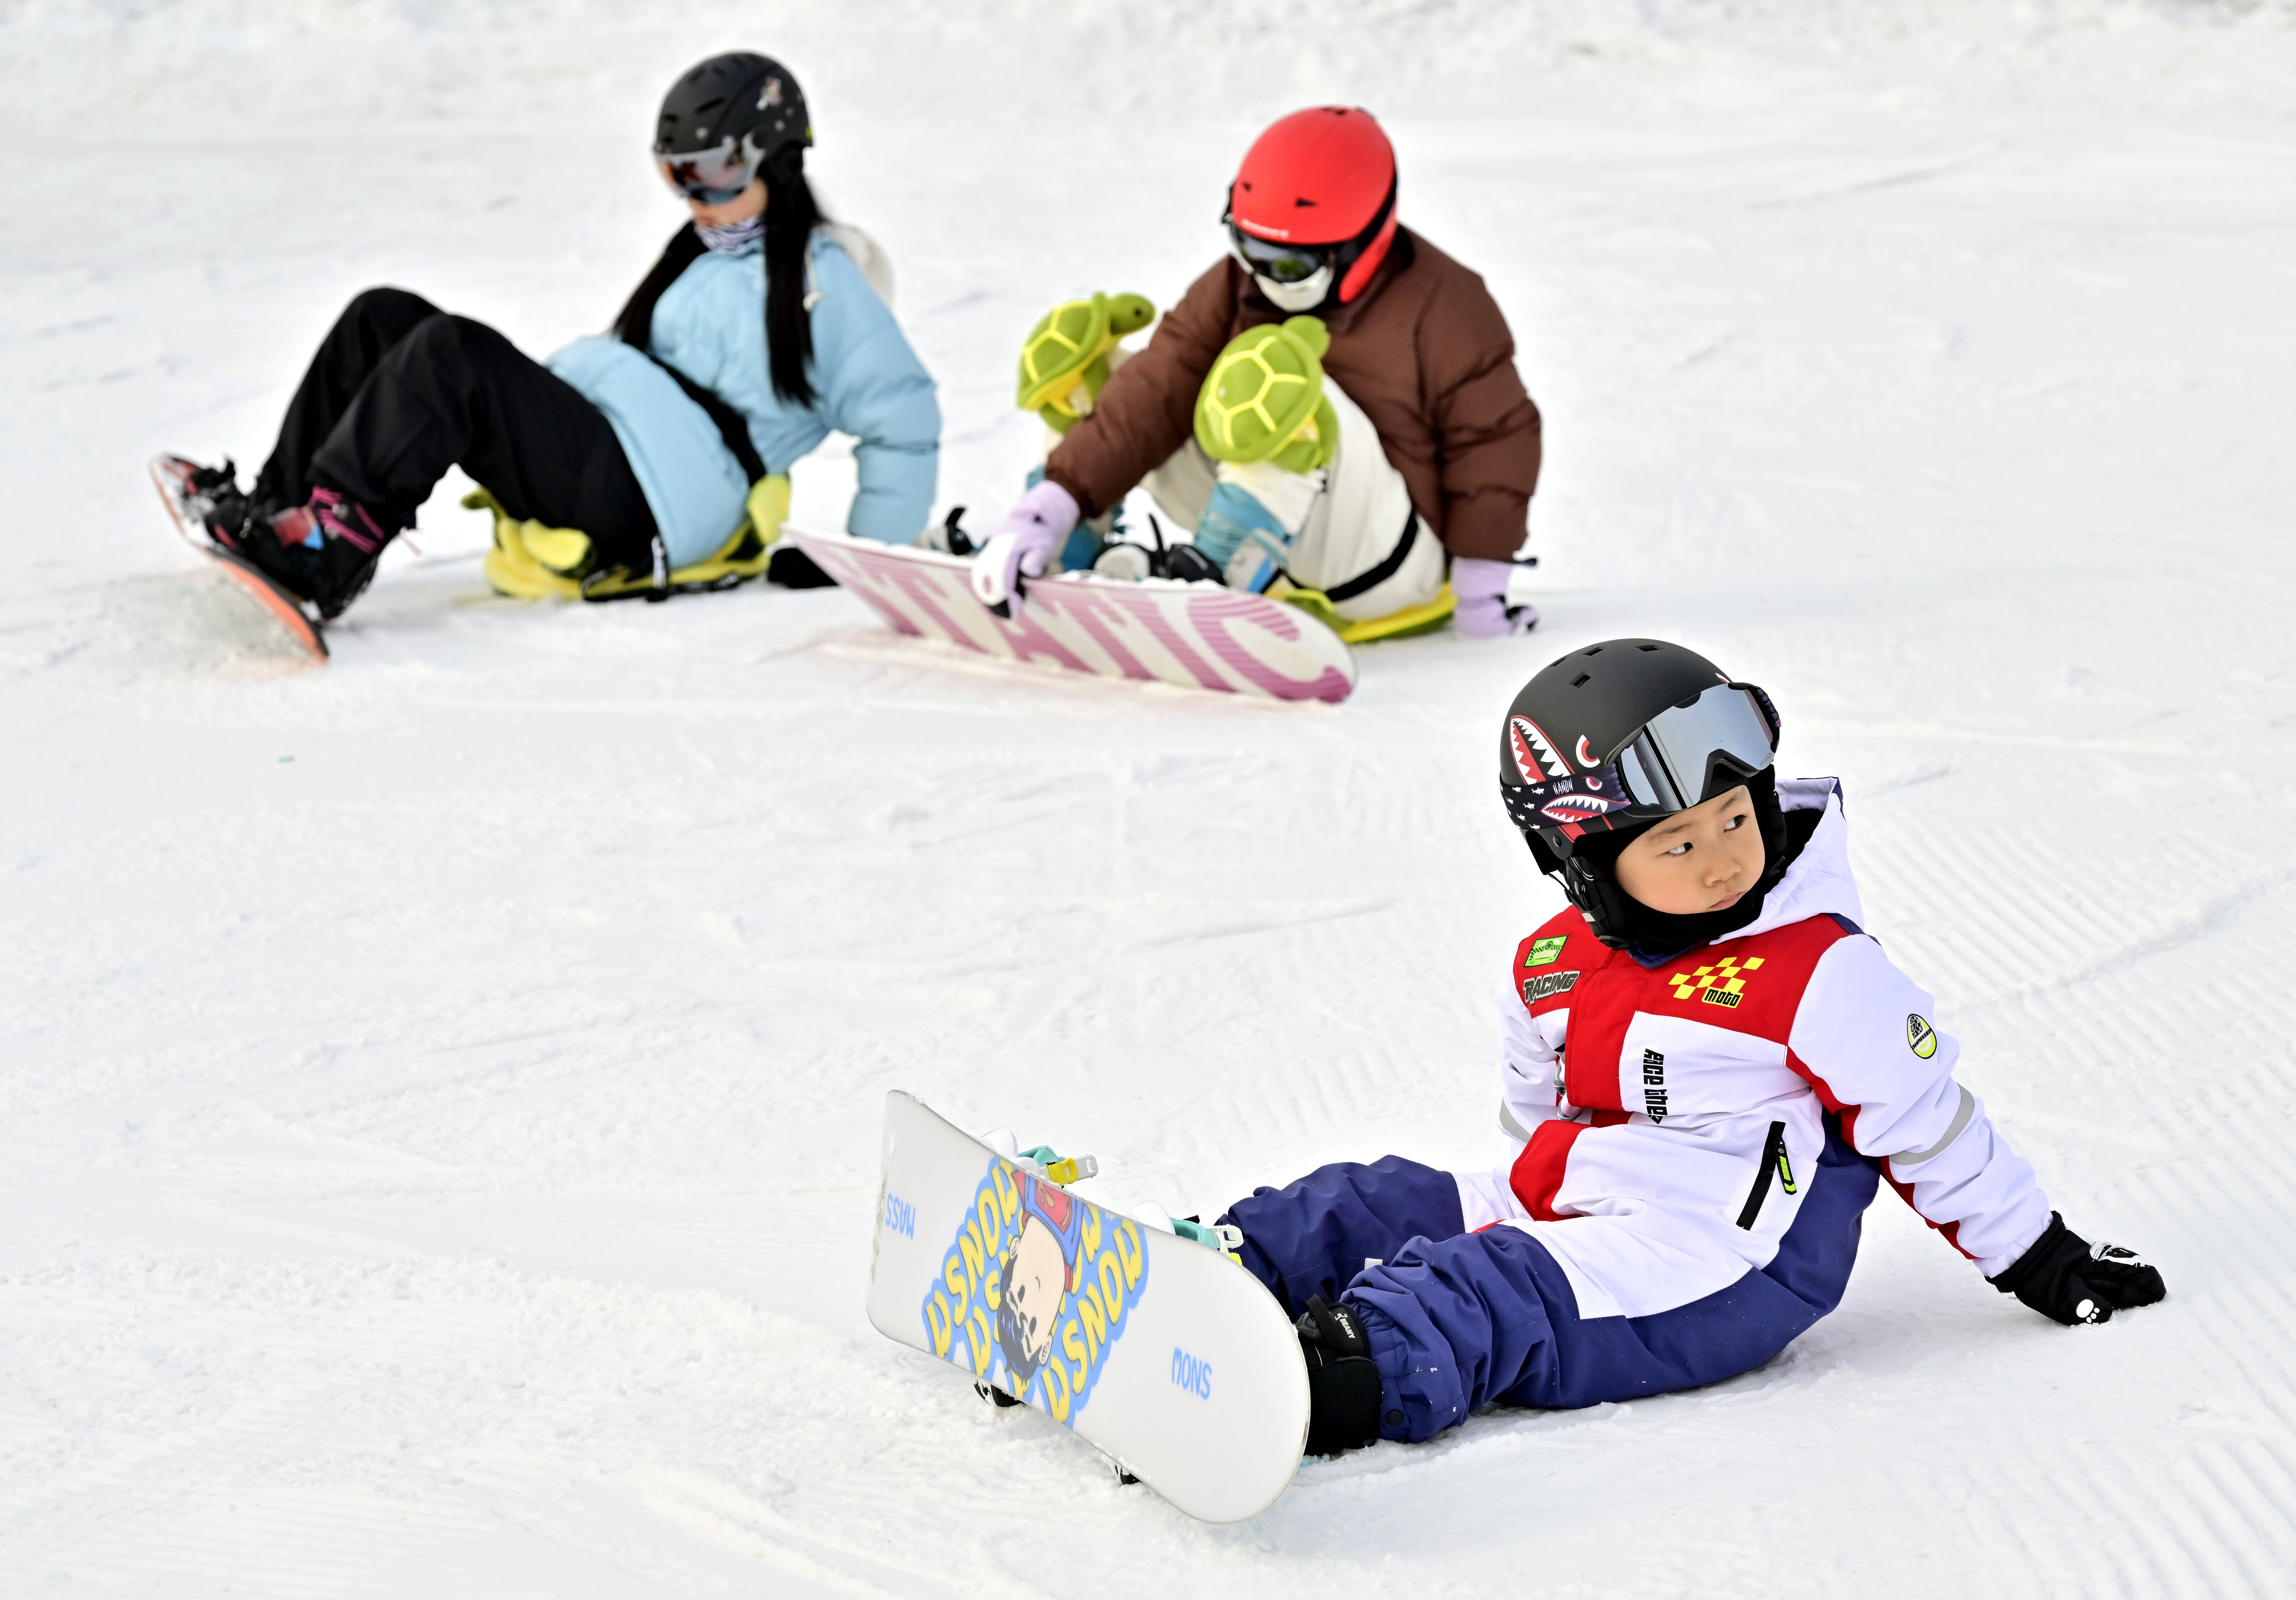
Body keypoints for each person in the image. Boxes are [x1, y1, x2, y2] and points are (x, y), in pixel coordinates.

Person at [1077, 638, 2166, 1456]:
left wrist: (2043, 1257)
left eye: (1737, 818)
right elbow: (1532, 1122)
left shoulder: (1817, 971)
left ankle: (1319, 1381)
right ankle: (1202, 1276)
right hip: (1588, 1204)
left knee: (1482, 1287)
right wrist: (1509, 1193)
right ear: (1586, 860)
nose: (1721, 862)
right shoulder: (1550, 964)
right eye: (1677, 843)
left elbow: (1932, 1126)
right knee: (1366, 1199)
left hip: (1725, 1264)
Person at [154, 52, 937, 619]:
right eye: (679, 175)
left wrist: (865, 563)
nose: (696, 197)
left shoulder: (826, 284)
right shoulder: (701, 256)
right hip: (614, 452)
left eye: (716, 173)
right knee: (382, 315)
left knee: (452, 352)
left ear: (781, 160)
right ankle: (282, 509)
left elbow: (904, 419)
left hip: (656, 503)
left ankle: (327, 555)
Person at [968, 106, 1545, 644]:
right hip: (1276, 524)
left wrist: (1480, 585)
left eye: (1290, 265)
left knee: (1284, 376)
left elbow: (1495, 438)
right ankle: (1058, 543)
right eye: (1248, 247)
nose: (1263, 277)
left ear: (1365, 244)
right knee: (1117, 377)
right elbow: (1158, 387)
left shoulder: (1447, 303)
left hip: (1382, 560)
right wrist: (1057, 498)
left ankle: (1217, 575)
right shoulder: (1234, 283)